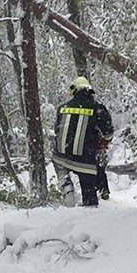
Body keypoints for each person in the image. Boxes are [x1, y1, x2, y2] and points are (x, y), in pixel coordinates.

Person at [52, 76, 114, 207]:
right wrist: (101, 143)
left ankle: (65, 183)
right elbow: (108, 133)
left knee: (60, 166)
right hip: (84, 159)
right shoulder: (97, 109)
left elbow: (57, 130)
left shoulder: (62, 108)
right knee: (89, 192)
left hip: (60, 155)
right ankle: (89, 208)